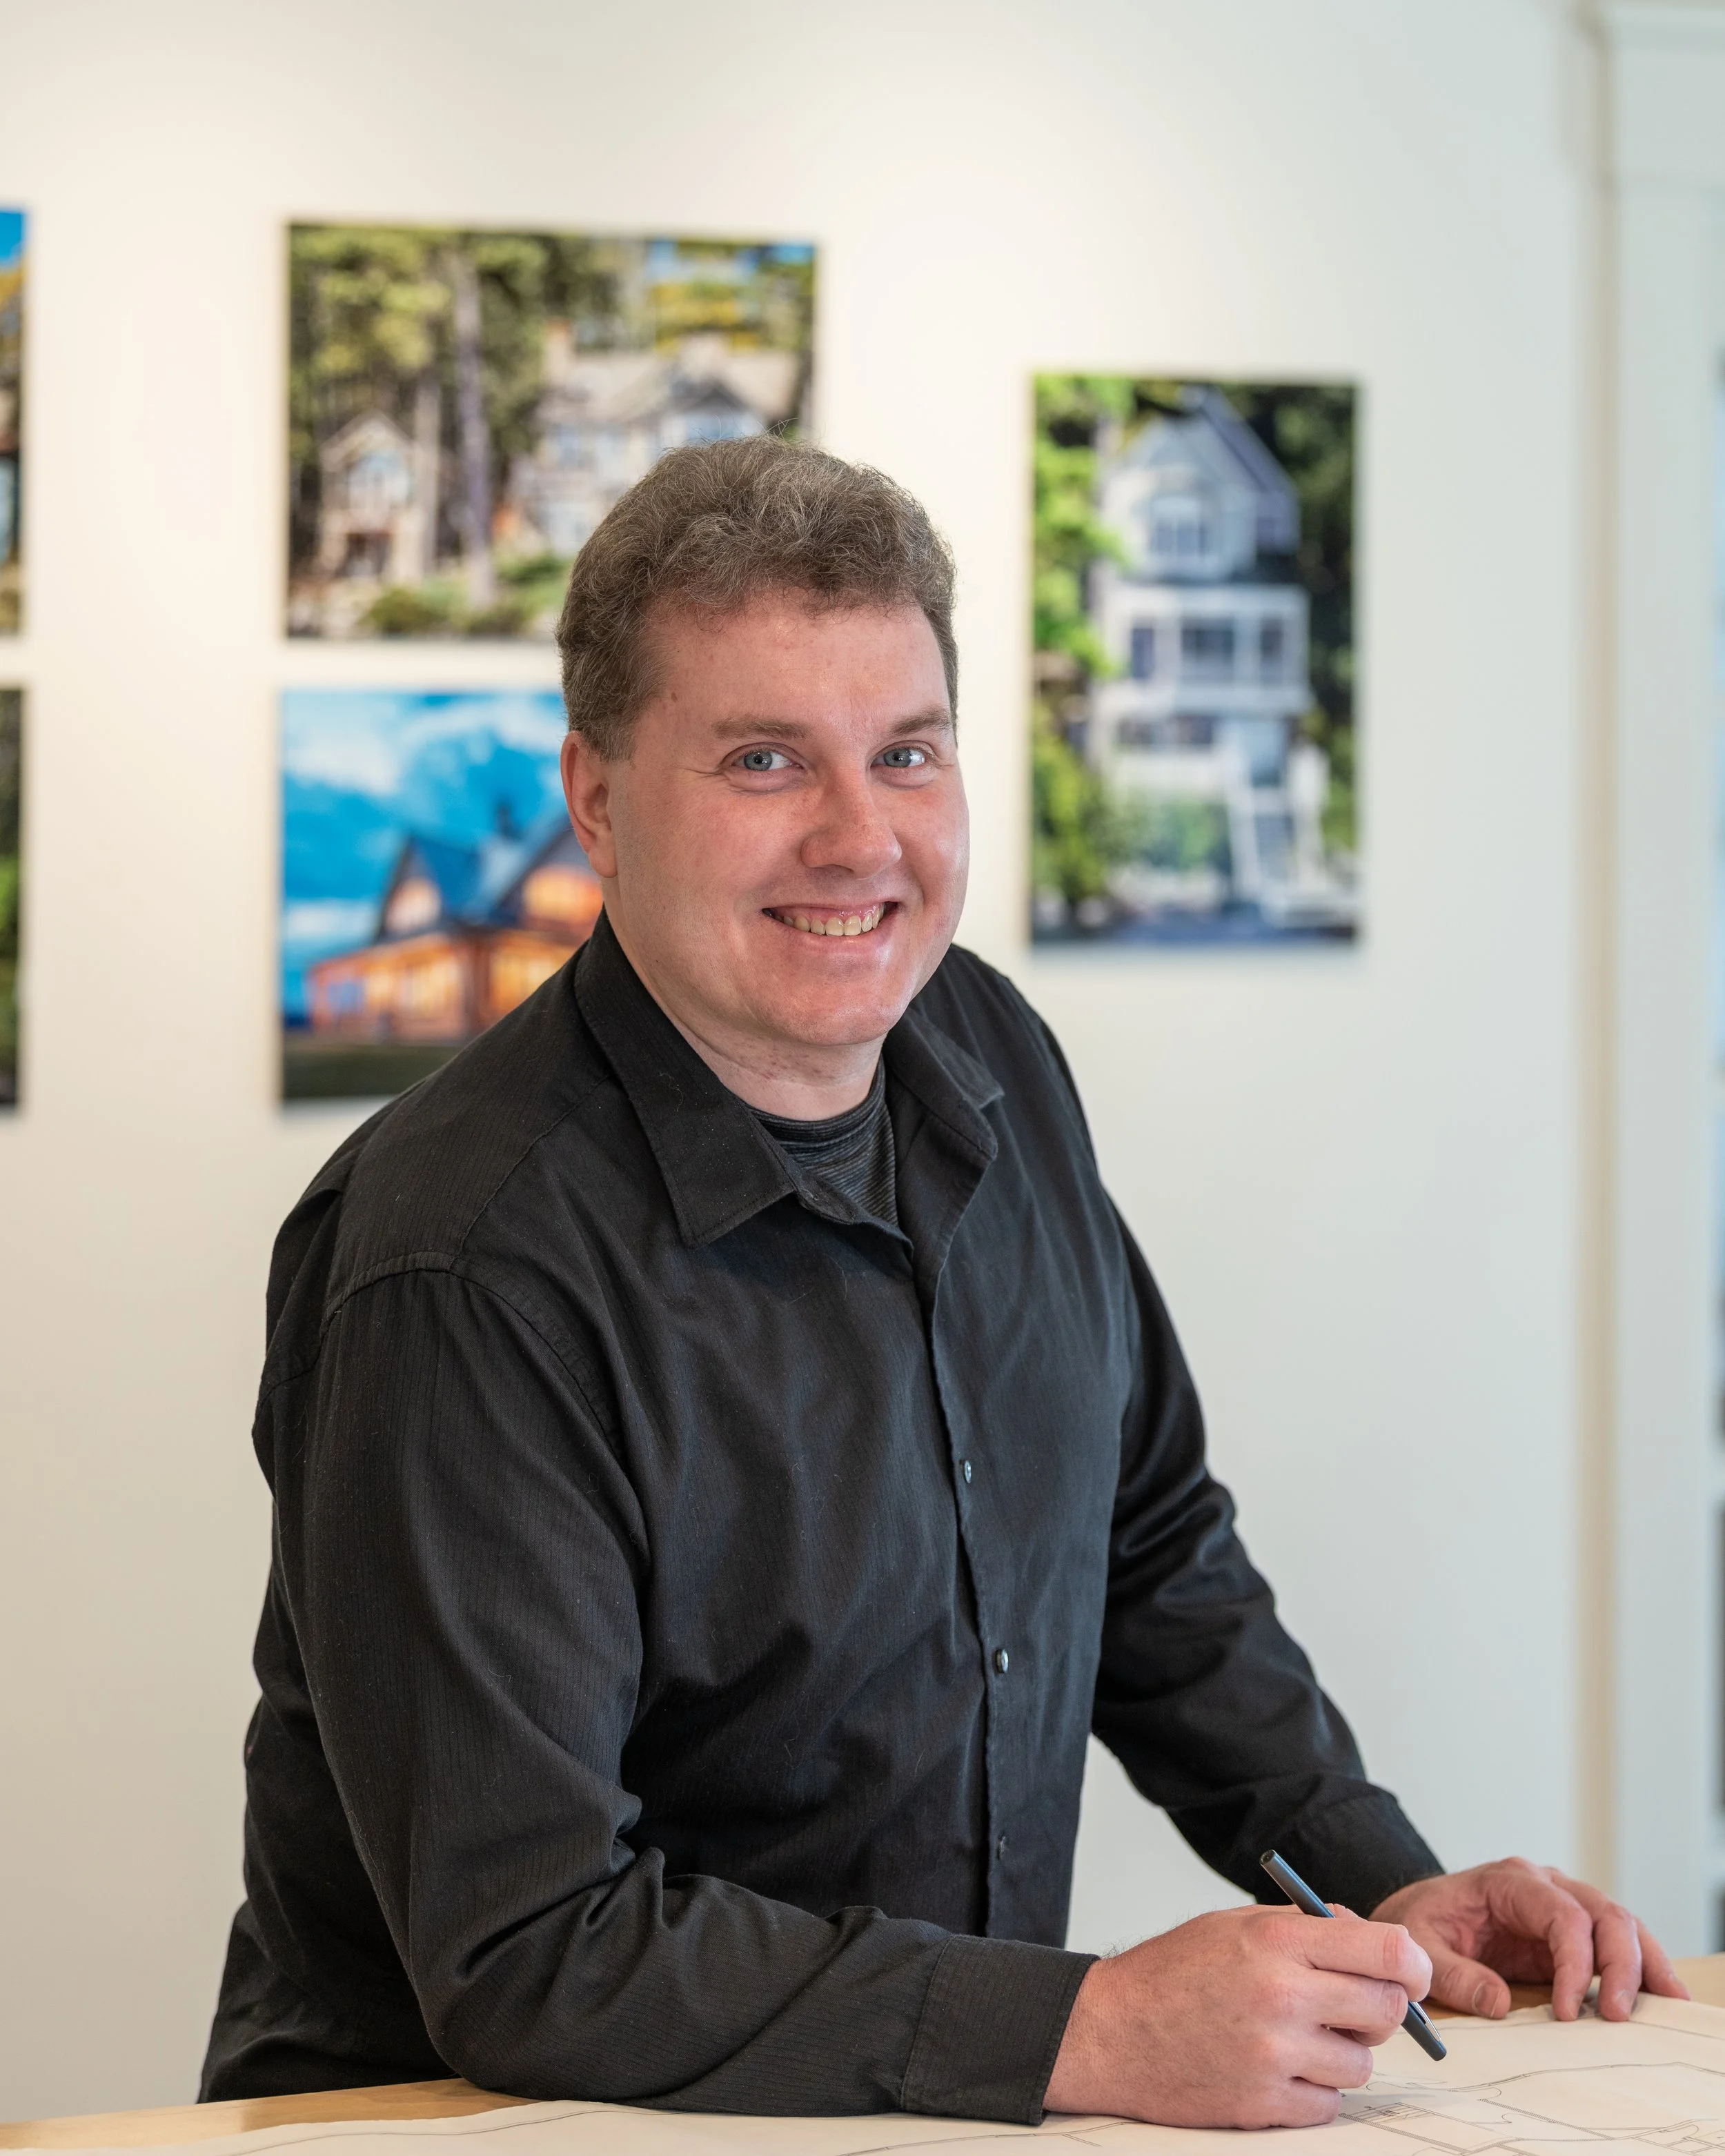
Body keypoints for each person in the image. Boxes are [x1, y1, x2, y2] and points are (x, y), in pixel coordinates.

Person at [203, 438, 1682, 2128]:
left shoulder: (984, 1050)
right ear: (596, 800)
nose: (858, 837)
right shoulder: (456, 1266)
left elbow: (1143, 1544)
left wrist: (1373, 1880)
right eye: (764, 759)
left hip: (911, 2113)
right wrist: (1093, 2027)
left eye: (905, 751)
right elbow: (534, 1945)